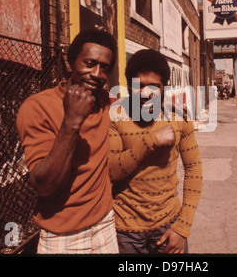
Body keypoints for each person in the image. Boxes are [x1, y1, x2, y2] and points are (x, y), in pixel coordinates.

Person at [16, 29, 119, 254]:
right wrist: (72, 121)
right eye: (90, 63)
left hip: (105, 224)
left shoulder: (105, 102)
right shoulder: (37, 107)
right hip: (63, 236)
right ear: (71, 62)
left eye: (105, 68)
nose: (96, 73)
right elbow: (45, 187)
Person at [108, 49, 203, 254]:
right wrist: (150, 141)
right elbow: (111, 172)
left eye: (154, 86)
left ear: (164, 89)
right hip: (125, 232)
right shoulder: (116, 116)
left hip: (169, 225)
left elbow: (194, 170)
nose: (145, 93)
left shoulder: (178, 117)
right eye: (138, 86)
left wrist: (183, 227)